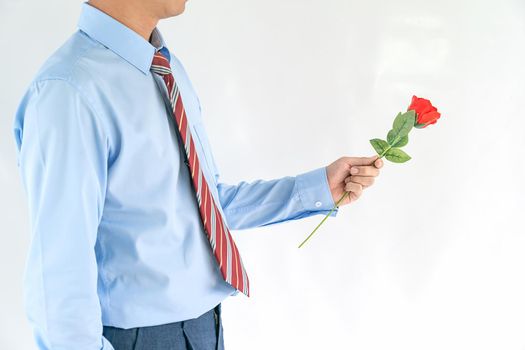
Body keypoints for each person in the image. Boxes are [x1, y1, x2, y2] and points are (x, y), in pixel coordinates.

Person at [12, 0, 383, 349]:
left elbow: (204, 204)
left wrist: (318, 188)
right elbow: (58, 277)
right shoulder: (70, 91)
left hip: (205, 328)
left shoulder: (163, 69)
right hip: (136, 339)